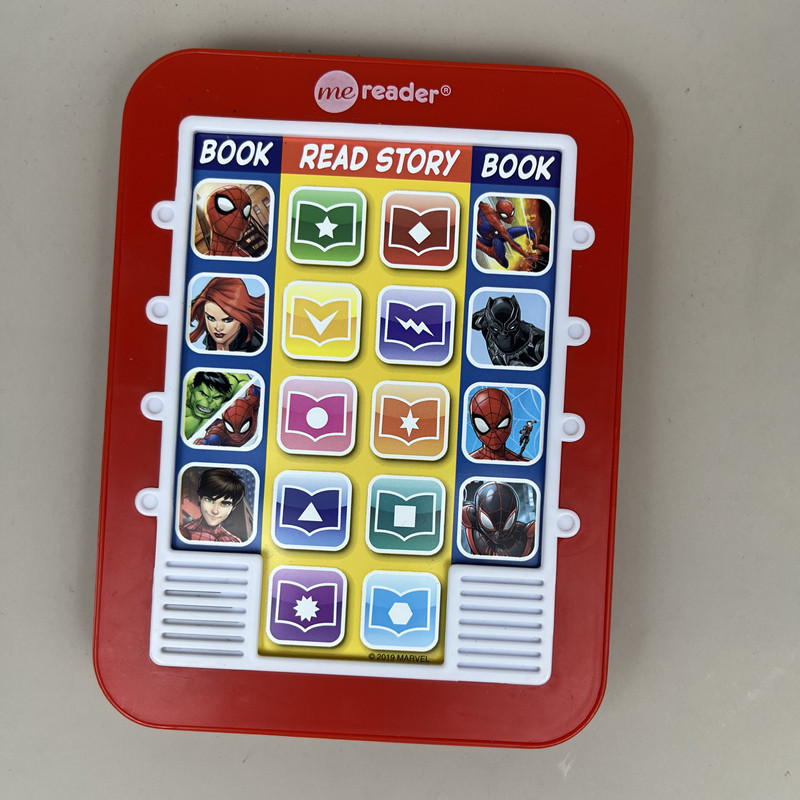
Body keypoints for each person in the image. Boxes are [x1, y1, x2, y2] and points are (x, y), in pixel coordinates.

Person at [188, 277, 265, 352]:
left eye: (227, 320)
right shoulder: (210, 342)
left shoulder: (257, 349)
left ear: (241, 318)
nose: (218, 328)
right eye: (211, 318)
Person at [179, 468, 246, 543]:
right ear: (200, 498)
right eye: (209, 500)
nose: (215, 511)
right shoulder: (182, 533)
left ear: (233, 507)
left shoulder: (235, 541)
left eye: (224, 504)